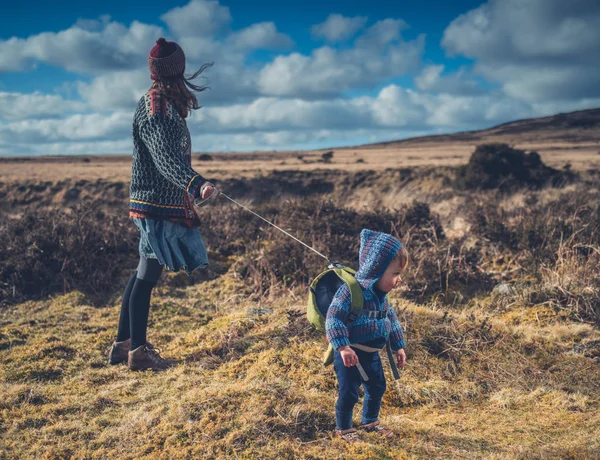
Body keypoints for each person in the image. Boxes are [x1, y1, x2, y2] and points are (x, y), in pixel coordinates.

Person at [107, 37, 218, 371]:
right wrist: (196, 183)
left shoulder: (164, 102)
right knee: (147, 275)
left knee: (142, 272)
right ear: (177, 70)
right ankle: (138, 352)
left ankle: (121, 345)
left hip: (155, 203)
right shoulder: (156, 106)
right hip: (155, 205)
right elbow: (164, 157)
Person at [326, 229, 409, 442]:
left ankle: (370, 421)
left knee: (377, 386)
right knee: (349, 392)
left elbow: (391, 319)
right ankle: (343, 428)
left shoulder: (383, 298)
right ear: (376, 269)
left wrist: (398, 345)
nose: (399, 280)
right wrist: (343, 347)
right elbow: (333, 318)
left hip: (371, 354)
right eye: (395, 274)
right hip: (349, 355)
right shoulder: (350, 292)